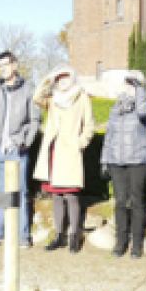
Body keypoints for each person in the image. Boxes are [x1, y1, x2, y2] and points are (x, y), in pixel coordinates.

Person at [33, 65, 95, 254]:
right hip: (53, 151)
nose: (62, 82)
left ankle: (74, 235)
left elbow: (89, 123)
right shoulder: (52, 100)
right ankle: (59, 234)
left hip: (70, 152)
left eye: (65, 78)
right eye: (59, 79)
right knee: (56, 196)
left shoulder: (81, 96)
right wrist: (47, 79)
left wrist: (80, 142)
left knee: (71, 195)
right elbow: (37, 98)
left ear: (72, 78)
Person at [0, 51, 41, 248]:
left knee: (20, 192)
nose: (3, 68)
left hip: (17, 150)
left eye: (6, 64)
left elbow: (35, 120)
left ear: (15, 65)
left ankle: (22, 236)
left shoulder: (28, 89)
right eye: (0, 65)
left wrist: (26, 141)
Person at [100, 71, 146, 257]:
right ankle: (120, 241)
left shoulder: (145, 103)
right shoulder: (116, 107)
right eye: (127, 82)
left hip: (137, 159)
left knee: (137, 200)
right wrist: (104, 159)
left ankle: (136, 244)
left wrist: (139, 88)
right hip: (116, 159)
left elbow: (143, 112)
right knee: (120, 202)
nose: (129, 86)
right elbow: (109, 134)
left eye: (133, 83)